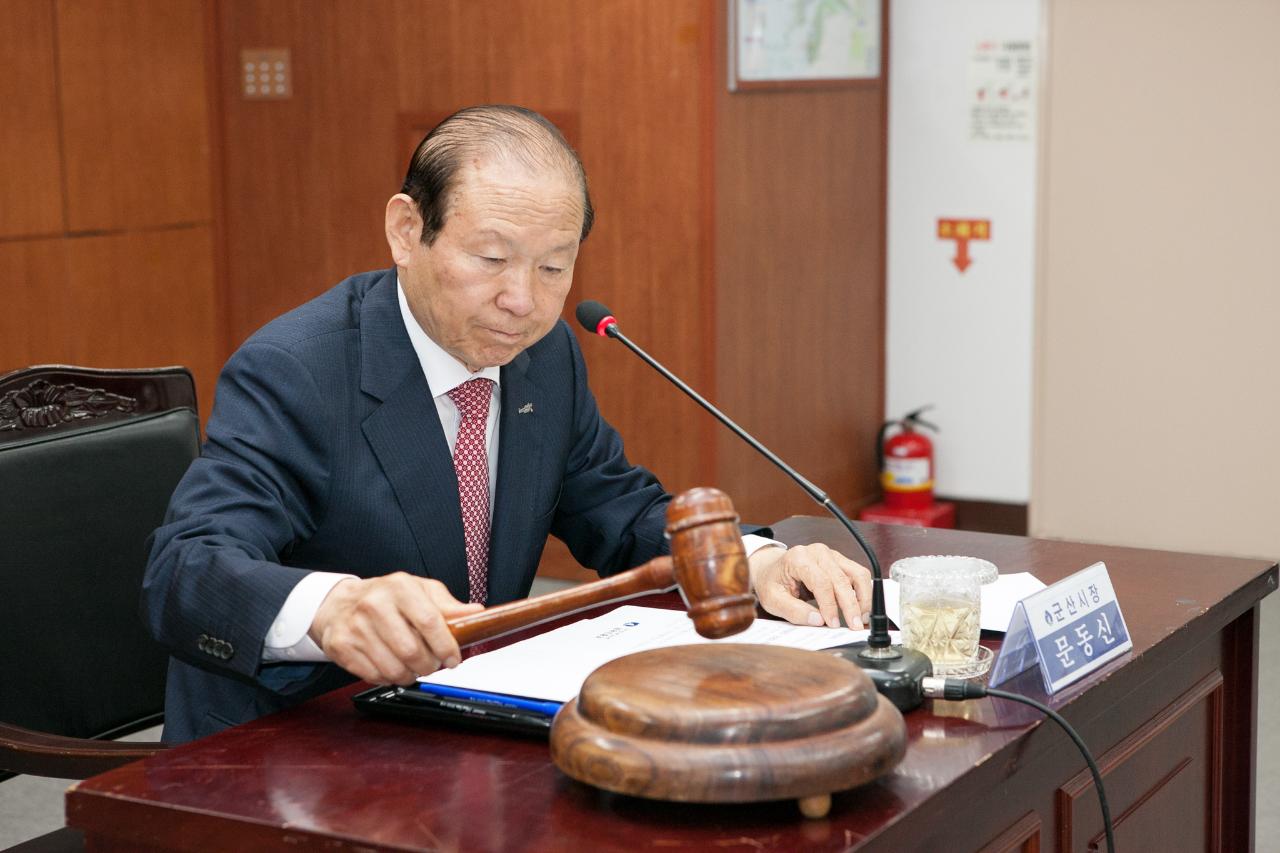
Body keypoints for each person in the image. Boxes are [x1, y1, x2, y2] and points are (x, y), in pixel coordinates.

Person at [142, 105, 873, 743]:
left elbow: (619, 511)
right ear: (405, 230)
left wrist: (752, 560)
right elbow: (185, 568)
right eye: (491, 258)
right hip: (291, 742)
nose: (521, 300)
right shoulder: (298, 369)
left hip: (457, 725)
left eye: (554, 268)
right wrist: (333, 606)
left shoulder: (544, 354)